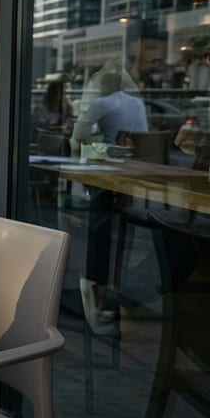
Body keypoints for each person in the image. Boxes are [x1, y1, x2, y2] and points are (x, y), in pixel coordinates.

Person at [69, 65, 148, 335]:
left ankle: (98, 293)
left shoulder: (101, 103)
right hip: (131, 177)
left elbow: (78, 136)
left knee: (99, 230)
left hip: (105, 175)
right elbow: (143, 136)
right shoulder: (136, 103)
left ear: (101, 87)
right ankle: (119, 288)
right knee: (123, 231)